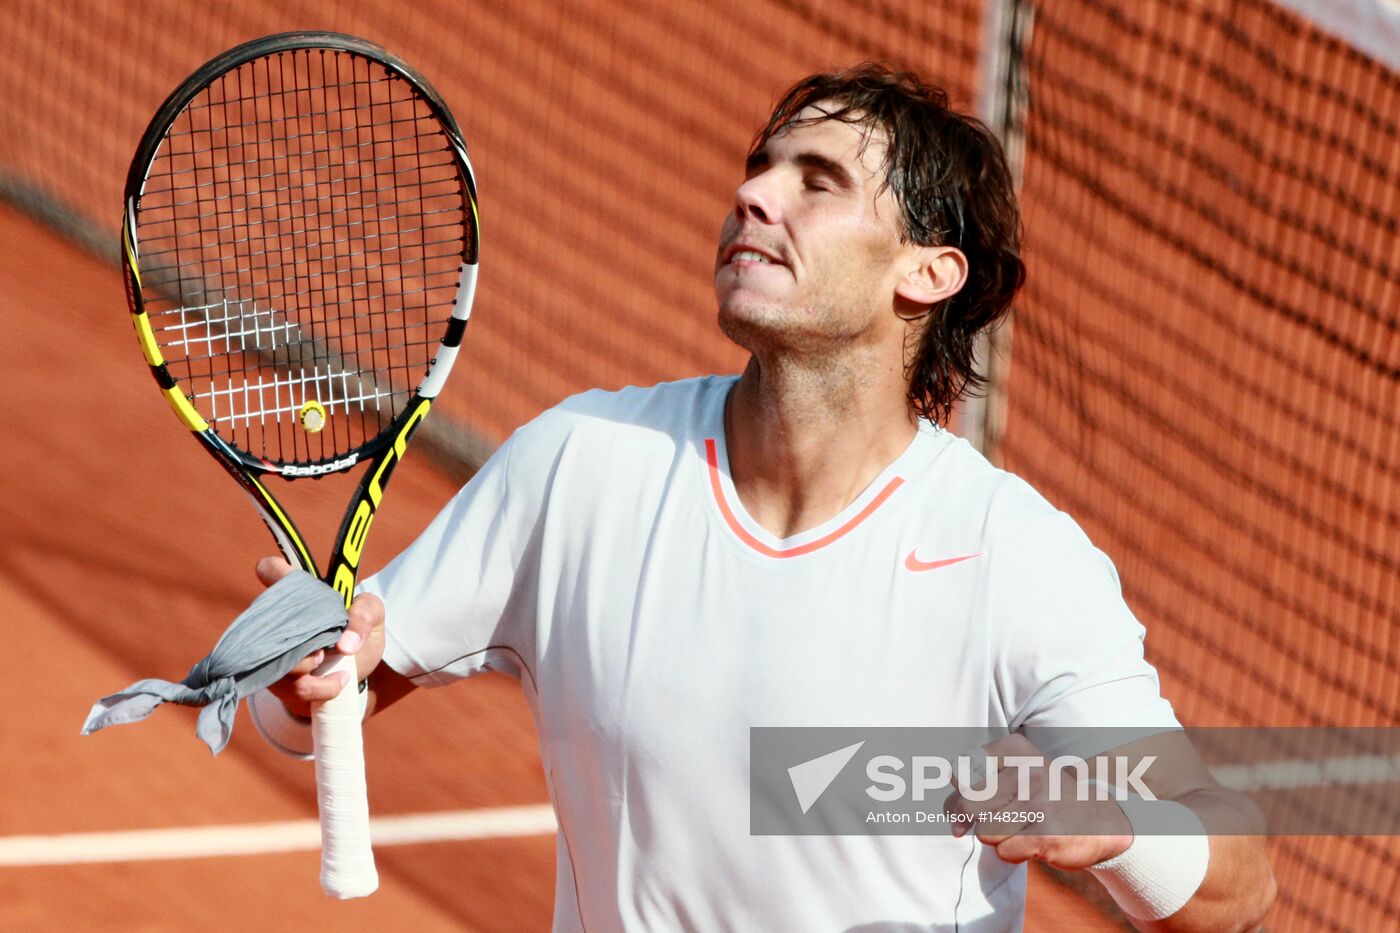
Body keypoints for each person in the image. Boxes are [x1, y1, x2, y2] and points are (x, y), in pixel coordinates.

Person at [251, 65, 1275, 930]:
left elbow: (1238, 889)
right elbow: (319, 701)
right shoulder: (583, 468)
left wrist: (1120, 828)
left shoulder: (1012, 560)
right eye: (760, 167)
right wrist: (301, 684)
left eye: (817, 182)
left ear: (926, 273)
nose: (754, 195)